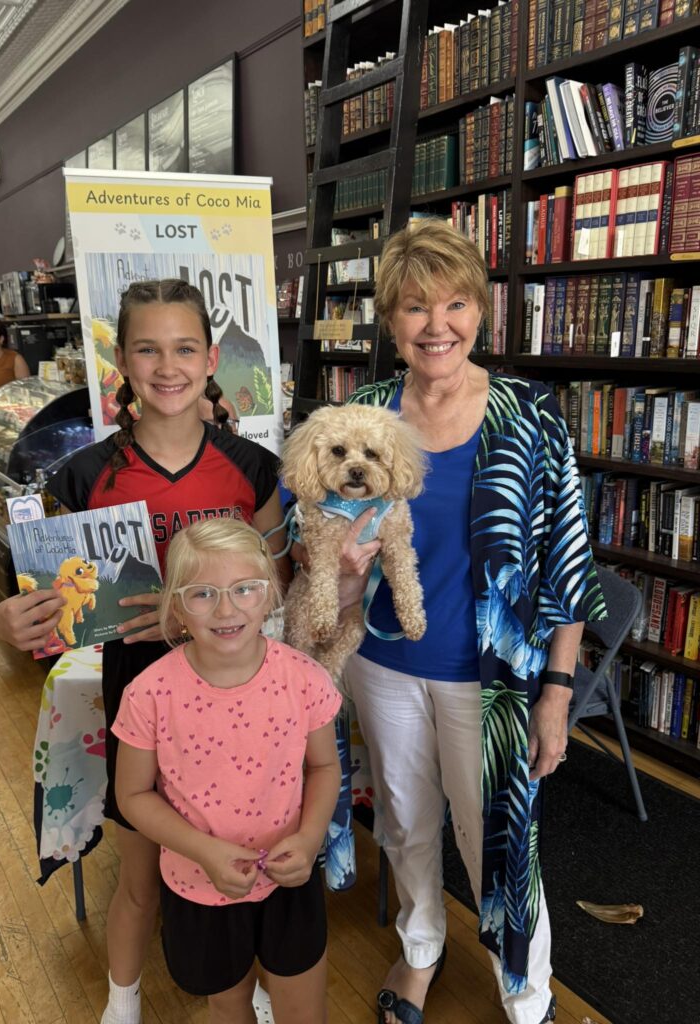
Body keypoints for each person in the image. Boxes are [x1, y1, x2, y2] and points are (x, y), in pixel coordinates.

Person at [0, 279, 289, 1024]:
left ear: (210, 358)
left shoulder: (254, 468)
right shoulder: (85, 475)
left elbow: (277, 582)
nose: (167, 366)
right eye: (147, 349)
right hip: (140, 701)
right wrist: (7, 622)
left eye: (185, 348)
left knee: (239, 858)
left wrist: (194, 610)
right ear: (121, 361)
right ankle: (122, 998)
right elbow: (40, 594)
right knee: (142, 875)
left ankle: (243, 985)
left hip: (238, 699)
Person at [331, 219, 606, 1024]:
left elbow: (567, 561)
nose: (437, 325)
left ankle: (526, 993)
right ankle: (420, 947)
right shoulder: (364, 415)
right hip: (383, 665)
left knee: (499, 844)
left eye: (455, 304)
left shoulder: (530, 415)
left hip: (496, 683)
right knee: (407, 822)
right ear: (390, 319)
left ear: (480, 312)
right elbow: (324, 540)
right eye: (416, 307)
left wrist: (557, 691)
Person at [113, 517, 341, 1024]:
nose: (226, 609)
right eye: (202, 594)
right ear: (176, 607)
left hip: (290, 878)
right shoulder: (149, 694)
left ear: (270, 593)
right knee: (228, 1005)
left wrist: (309, 839)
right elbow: (132, 796)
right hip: (198, 884)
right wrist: (204, 851)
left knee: (304, 1009)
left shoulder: (304, 678)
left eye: (244, 588)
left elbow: (325, 766)